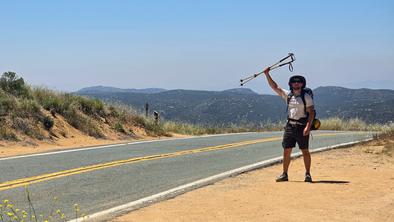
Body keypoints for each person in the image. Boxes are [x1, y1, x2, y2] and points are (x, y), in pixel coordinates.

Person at [263, 68, 315, 182]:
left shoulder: (306, 96)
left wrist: (308, 126)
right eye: (294, 81)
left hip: (302, 126)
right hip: (290, 126)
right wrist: (267, 74)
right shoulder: (288, 95)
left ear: (302, 84)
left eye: (299, 81)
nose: (296, 83)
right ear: (291, 84)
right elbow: (275, 87)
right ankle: (284, 174)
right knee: (287, 150)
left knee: (305, 150)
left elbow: (311, 112)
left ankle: (308, 174)